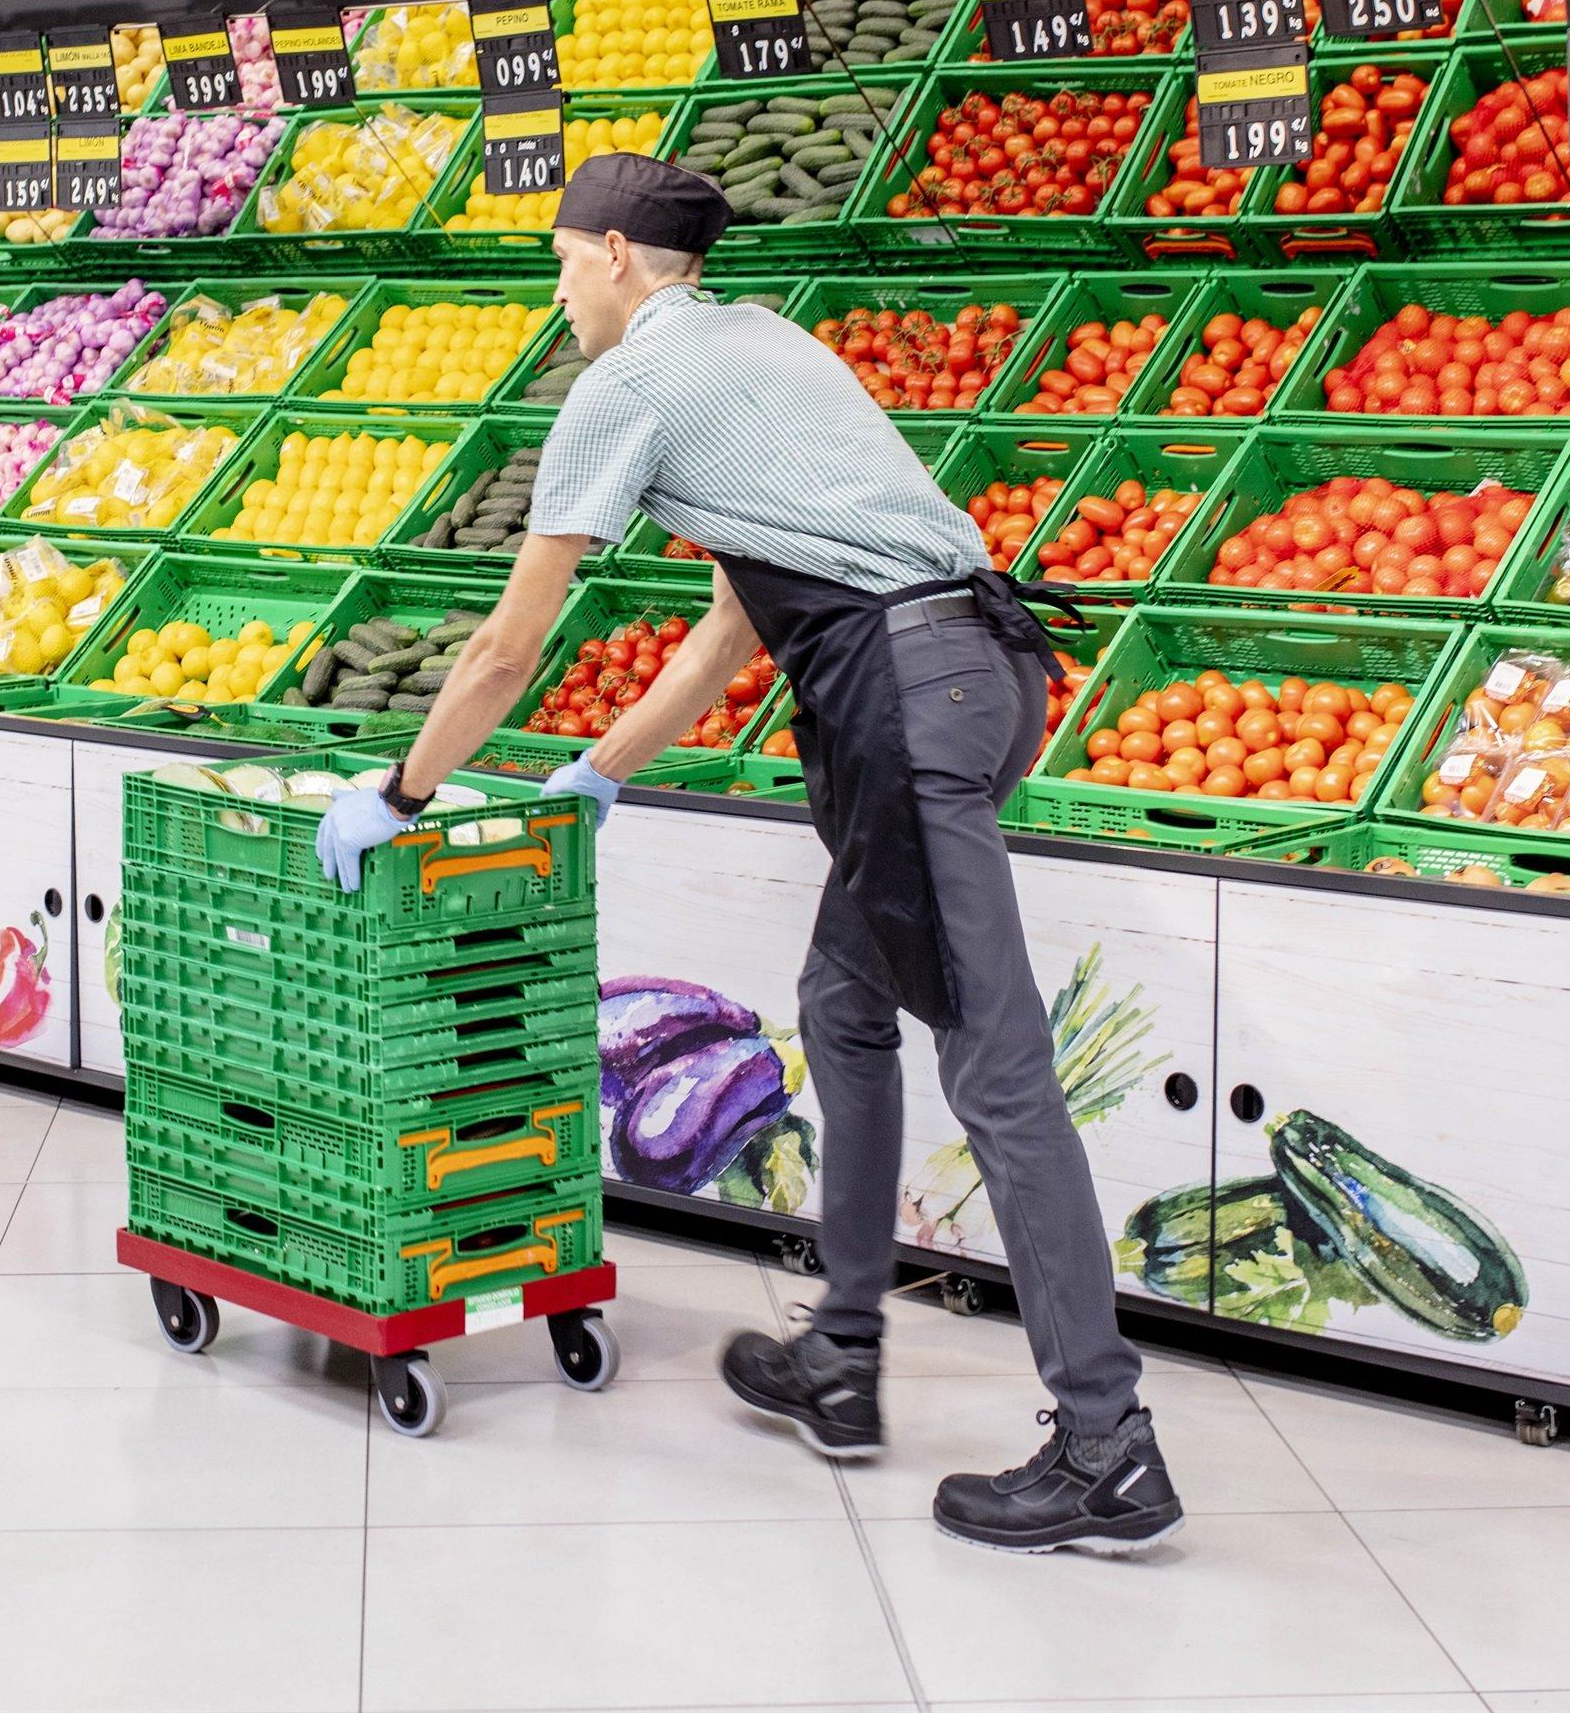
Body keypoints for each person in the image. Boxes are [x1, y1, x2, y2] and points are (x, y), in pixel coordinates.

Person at [314, 152, 1180, 1557]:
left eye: (556, 264)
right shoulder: (765, 343)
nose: (557, 294)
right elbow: (731, 633)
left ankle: (1107, 1444)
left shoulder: (628, 384)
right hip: (980, 676)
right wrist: (602, 769)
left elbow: (506, 644)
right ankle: (841, 1354)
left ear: (608, 254)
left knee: (999, 1070)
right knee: (846, 1006)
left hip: (907, 706)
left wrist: (402, 793)